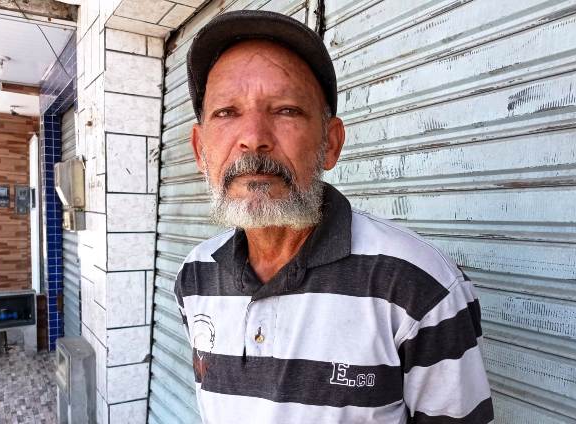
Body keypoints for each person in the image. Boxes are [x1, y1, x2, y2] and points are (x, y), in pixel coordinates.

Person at [174, 10, 494, 424]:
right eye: (226, 113)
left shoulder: (419, 286)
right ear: (200, 150)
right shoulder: (194, 277)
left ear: (331, 143)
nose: (253, 138)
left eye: (286, 110)